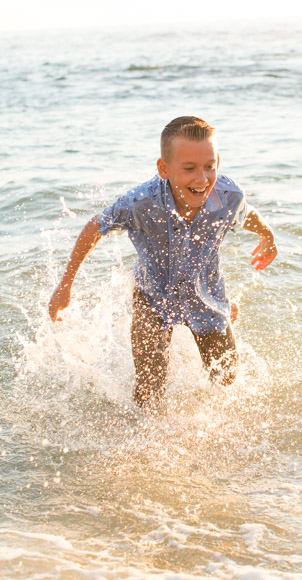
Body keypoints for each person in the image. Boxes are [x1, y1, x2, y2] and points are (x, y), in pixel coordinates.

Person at [48, 116, 277, 408]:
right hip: (152, 300)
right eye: (189, 169)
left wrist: (267, 235)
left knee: (227, 380)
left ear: (217, 161)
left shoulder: (229, 196)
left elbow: (246, 213)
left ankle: (225, 307)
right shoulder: (140, 203)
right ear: (164, 169)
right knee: (149, 393)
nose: (202, 178)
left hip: (206, 297)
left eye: (209, 166)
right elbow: (95, 227)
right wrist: (65, 285)